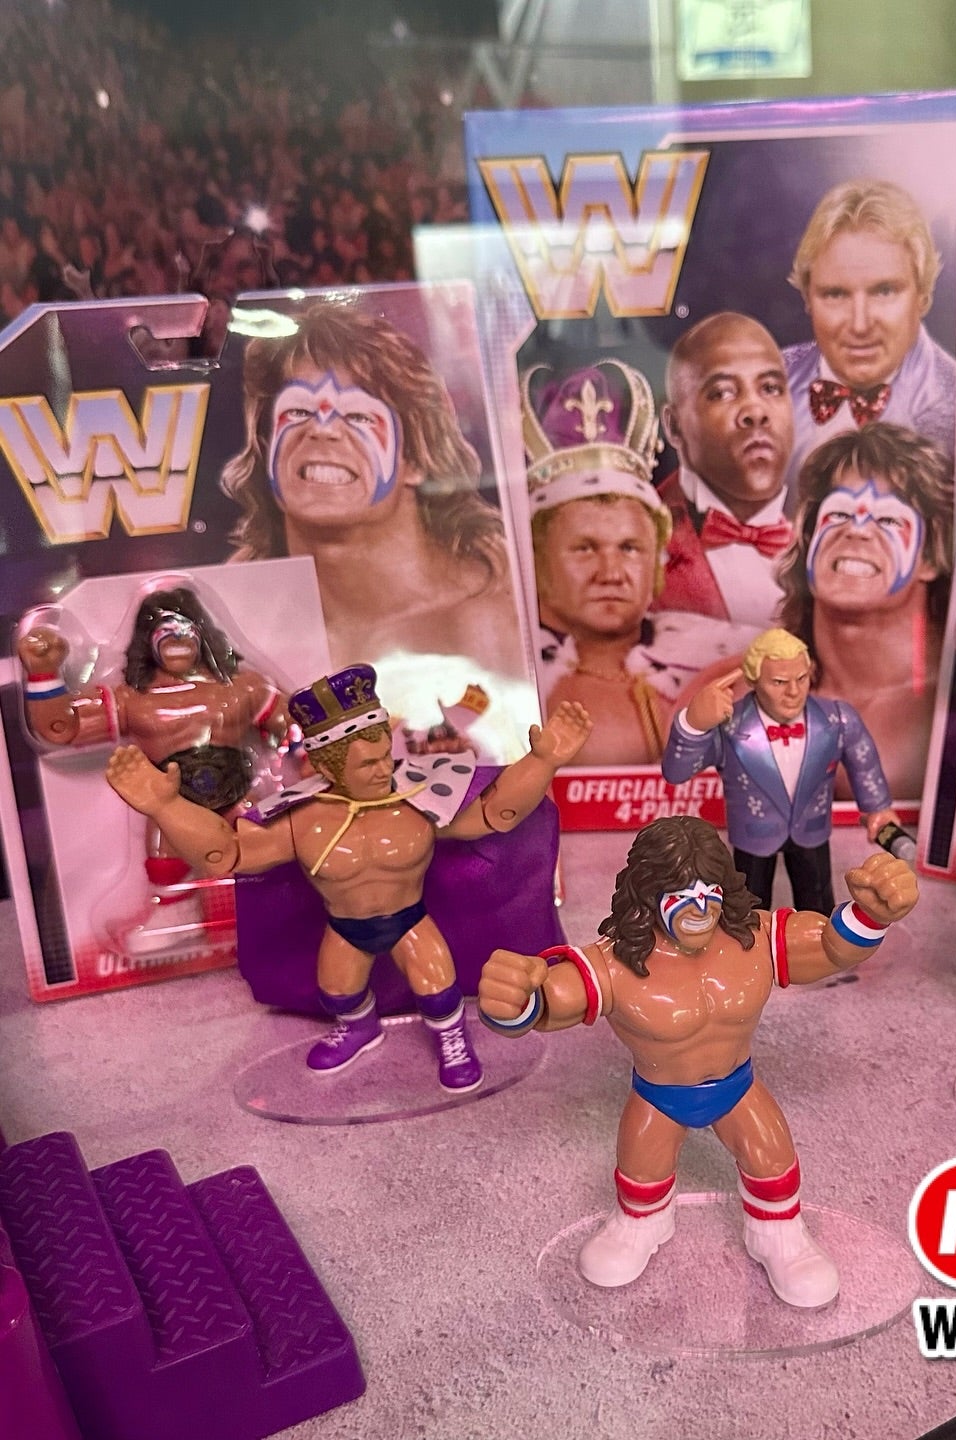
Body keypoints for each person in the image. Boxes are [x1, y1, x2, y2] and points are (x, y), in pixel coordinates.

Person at [476, 814, 918, 1308]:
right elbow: (552, 1001)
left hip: (737, 1086)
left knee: (773, 1161)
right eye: (681, 895)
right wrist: (512, 1000)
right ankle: (642, 1223)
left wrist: (871, 914)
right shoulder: (614, 964)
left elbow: (829, 948)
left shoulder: (754, 939)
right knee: (641, 1177)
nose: (700, 908)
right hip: (658, 1097)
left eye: (710, 891)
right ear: (648, 894)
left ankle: (777, 1233)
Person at [104, 664, 592, 1092]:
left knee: (436, 985)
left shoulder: (419, 800)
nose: (383, 769)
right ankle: (359, 1028)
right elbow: (225, 854)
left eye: (384, 754)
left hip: (409, 920)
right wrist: (165, 806)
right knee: (337, 990)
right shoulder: (302, 821)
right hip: (346, 927)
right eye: (368, 763)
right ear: (327, 766)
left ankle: (452, 1038)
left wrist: (543, 760)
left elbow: (496, 813)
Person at [221, 300, 527, 706]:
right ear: (266, 446)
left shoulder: (500, 610)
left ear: (415, 458)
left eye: (357, 416)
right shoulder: (235, 612)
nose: (322, 430)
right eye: (297, 411)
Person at [18, 587, 290, 951]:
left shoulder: (244, 687)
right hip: (172, 804)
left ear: (202, 632)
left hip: (239, 797)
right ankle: (177, 915)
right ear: (148, 640)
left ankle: (277, 910)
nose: (176, 639)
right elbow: (60, 729)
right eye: (166, 630)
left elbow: (294, 723)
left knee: (263, 854)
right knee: (165, 860)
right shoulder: (132, 700)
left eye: (183, 628)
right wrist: (43, 673)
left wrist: (312, 762)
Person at [524, 359, 752, 767]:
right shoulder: (506, 680)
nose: (611, 573)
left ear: (657, 559)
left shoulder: (726, 660)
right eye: (584, 548)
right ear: (539, 560)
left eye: (630, 548)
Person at [774, 422, 954, 799]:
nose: (857, 530)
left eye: (888, 519)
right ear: (809, 539)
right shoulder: (736, 693)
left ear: (930, 557)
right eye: (839, 514)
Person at [662, 629, 900, 913]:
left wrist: (877, 807)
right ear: (753, 680)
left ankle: (816, 938)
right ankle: (750, 939)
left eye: (801, 678)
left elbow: (863, 762)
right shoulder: (729, 726)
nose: (793, 692)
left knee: (817, 902)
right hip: (753, 832)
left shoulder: (837, 718)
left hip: (811, 828)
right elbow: (676, 773)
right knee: (748, 905)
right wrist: (693, 725)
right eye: (779, 682)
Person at [783, 180, 956, 485]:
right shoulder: (769, 382)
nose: (860, 325)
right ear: (807, 299)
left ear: (923, 296)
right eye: (835, 294)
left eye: (884, 291)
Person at [656, 312, 796, 627]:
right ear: (674, 426)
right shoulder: (635, 546)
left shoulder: (825, 545)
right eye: (722, 393)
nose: (755, 411)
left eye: (771, 388)